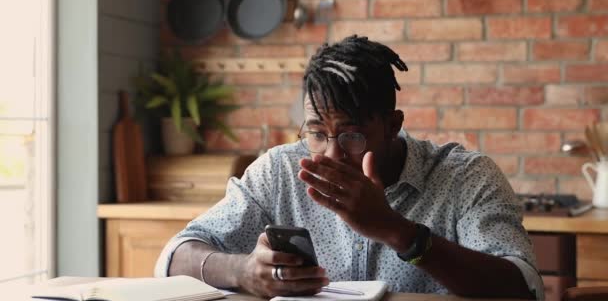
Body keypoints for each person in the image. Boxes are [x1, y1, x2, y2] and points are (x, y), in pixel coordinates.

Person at [155, 35, 543, 300]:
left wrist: (397, 230)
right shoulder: (280, 171)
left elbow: (523, 289)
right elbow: (174, 256)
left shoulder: (464, 177)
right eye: (317, 133)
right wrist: (244, 272)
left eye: (352, 136)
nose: (330, 155)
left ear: (393, 126)